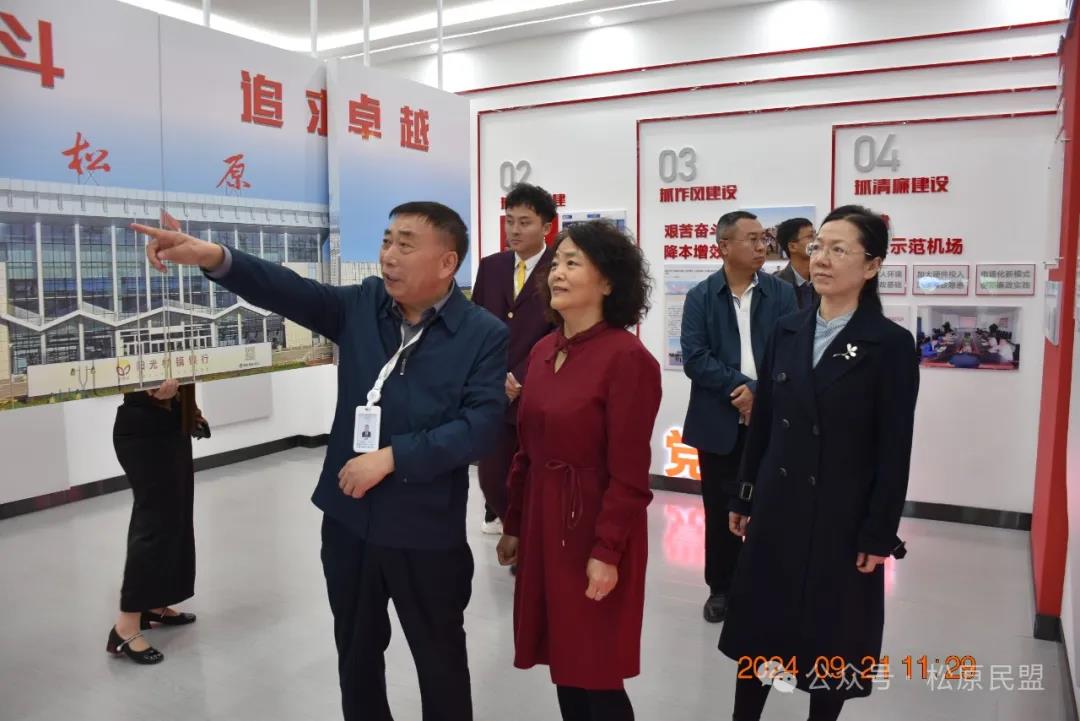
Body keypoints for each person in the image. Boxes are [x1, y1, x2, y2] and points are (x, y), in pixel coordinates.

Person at [132, 202, 507, 721]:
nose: (389, 256)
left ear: (447, 263)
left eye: (405, 244)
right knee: (356, 654)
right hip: (350, 522)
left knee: (439, 658)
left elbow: (481, 427)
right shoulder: (364, 305)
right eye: (386, 241)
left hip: (424, 529)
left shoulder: (482, 334)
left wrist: (394, 457)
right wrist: (214, 256)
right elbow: (288, 290)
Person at [719, 205, 919, 721]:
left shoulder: (889, 345)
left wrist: (878, 533)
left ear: (872, 265)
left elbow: (894, 448)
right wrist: (745, 494)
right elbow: (765, 422)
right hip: (778, 505)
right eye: (818, 247)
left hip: (840, 517)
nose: (822, 259)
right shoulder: (787, 329)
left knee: (832, 639)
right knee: (761, 633)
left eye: (839, 249)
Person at [496, 221, 660, 721]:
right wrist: (513, 523)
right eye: (556, 264)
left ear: (607, 282)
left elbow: (630, 474)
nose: (557, 274)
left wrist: (607, 551)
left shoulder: (628, 358)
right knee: (564, 660)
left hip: (593, 524)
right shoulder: (543, 350)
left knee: (596, 666)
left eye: (573, 264)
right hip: (543, 521)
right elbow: (526, 450)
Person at [680, 210, 796, 623]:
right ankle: (721, 589)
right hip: (718, 420)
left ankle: (764, 586)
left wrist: (759, 393)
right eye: (752, 239)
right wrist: (742, 389)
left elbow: (791, 352)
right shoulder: (700, 296)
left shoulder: (782, 295)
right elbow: (695, 358)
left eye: (764, 238)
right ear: (724, 247)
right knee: (720, 510)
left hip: (772, 417)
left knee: (770, 509)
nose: (762, 246)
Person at [472, 182, 557, 536]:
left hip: (538, 391)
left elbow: (561, 332)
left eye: (525, 222)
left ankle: (529, 542)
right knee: (492, 477)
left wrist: (522, 376)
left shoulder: (559, 268)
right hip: (493, 392)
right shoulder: (491, 266)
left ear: (546, 226)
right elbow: (475, 323)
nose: (514, 230)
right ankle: (515, 530)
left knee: (536, 475)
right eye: (510, 221)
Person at [107, 379, 205, 664]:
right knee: (153, 523)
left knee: (175, 517)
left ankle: (154, 603)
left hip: (170, 422)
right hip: (143, 428)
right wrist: (149, 392)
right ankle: (125, 627)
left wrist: (190, 410)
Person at [773, 217, 817, 310]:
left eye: (816, 235)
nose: (817, 241)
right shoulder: (775, 286)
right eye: (810, 236)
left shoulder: (826, 280)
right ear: (792, 246)